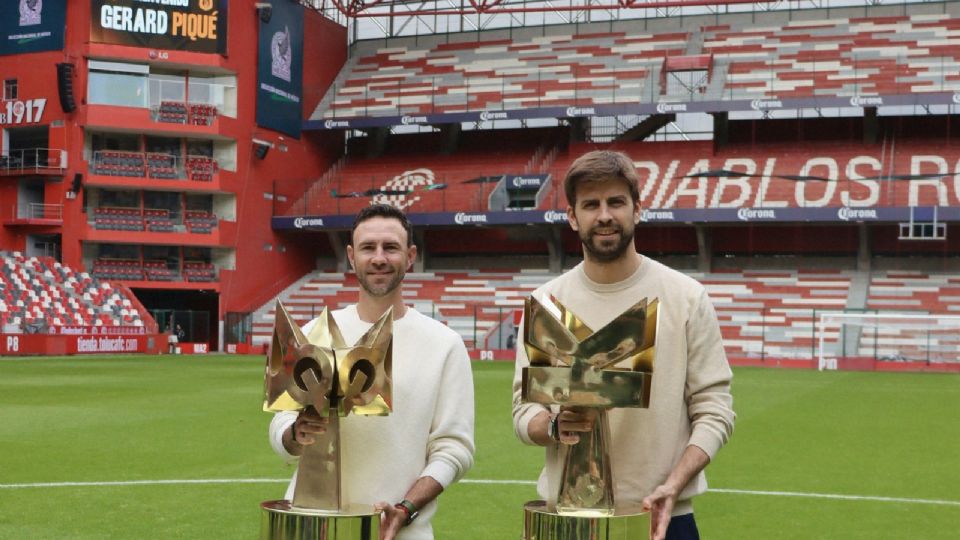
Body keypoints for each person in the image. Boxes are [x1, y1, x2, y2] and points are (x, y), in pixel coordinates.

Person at [511, 150, 735, 540]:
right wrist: (552, 424)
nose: (604, 215)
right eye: (590, 204)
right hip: (569, 515)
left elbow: (714, 411)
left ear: (637, 210)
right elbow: (524, 409)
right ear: (571, 216)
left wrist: (675, 485)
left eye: (616, 202)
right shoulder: (545, 304)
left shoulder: (686, 298)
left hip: (663, 516)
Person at [269, 204, 475, 540]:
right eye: (368, 247)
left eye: (390, 247)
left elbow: (454, 449)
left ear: (410, 256)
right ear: (352, 256)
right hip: (314, 525)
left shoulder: (444, 344)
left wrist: (406, 508)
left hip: (396, 530)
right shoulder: (315, 332)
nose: (379, 258)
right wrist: (296, 432)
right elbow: (280, 426)